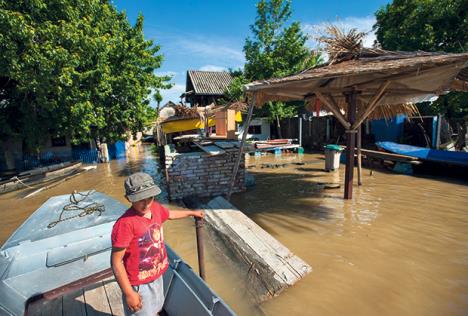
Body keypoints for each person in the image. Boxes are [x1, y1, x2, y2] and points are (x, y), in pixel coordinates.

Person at [111, 172, 204, 315]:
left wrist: (191, 213)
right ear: (128, 199)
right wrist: (129, 293)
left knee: (155, 309)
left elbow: (170, 214)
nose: (147, 203)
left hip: (157, 276)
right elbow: (116, 262)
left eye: (150, 197)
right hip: (138, 284)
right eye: (141, 199)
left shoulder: (156, 208)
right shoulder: (125, 224)